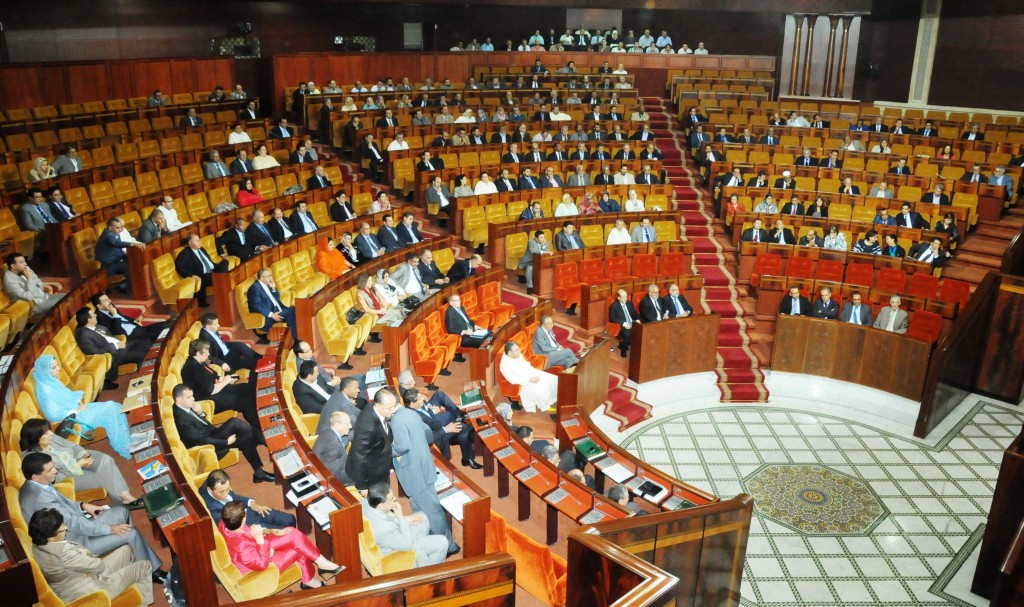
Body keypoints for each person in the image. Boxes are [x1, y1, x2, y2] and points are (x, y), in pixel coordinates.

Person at [19, 453, 166, 581]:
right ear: (36, 476)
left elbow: (64, 505)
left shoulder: (35, 484)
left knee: (122, 512)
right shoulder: (41, 499)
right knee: (130, 533)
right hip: (77, 542)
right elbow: (74, 524)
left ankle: (132, 553)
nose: (55, 471)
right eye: (50, 470)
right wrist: (110, 529)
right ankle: (152, 571)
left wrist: (82, 505)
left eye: (53, 467)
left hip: (78, 527)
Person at [28, 508, 155, 606]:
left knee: (126, 550)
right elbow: (98, 566)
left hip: (81, 576)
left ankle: (127, 587)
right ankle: (142, 602)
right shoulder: (64, 553)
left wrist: (85, 567)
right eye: (61, 527)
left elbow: (88, 563)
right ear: (50, 536)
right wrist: (87, 565)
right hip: (90, 591)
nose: (65, 528)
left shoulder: (37, 544)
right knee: (144, 566)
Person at [20, 418, 141, 508]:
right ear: (35, 439)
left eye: (49, 431)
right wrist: (78, 465)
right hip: (68, 476)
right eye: (46, 433)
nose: (51, 433)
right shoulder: (35, 458)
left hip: (77, 458)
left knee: (106, 460)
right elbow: (54, 478)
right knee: (102, 477)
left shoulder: (52, 438)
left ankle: (125, 496)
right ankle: (123, 504)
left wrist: (83, 455)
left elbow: (72, 446)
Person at [218, 500, 342, 589]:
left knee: (292, 533)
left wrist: (268, 532)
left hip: (256, 545)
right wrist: (261, 543)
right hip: (259, 568)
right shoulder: (242, 547)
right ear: (243, 520)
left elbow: (245, 532)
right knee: (297, 551)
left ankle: (321, 562)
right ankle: (309, 580)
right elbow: (261, 565)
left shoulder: (225, 523)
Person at [392, 389, 459, 553]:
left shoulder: (397, 420)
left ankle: (449, 546)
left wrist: (385, 449)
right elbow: (428, 435)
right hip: (423, 468)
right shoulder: (411, 413)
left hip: (416, 473)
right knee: (419, 506)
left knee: (433, 511)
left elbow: (402, 447)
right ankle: (427, 537)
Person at [171, 383, 272, 482]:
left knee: (246, 438)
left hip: (212, 434)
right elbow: (200, 440)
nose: (193, 399)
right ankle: (266, 441)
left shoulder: (184, 406)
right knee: (234, 422)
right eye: (189, 397)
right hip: (208, 447)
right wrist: (226, 442)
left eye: (192, 395)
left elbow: (200, 423)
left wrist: (200, 412)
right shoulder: (181, 420)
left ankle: (259, 473)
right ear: (179, 399)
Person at [181, 338, 262, 439]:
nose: (208, 354)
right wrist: (226, 381)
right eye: (206, 352)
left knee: (247, 388)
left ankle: (259, 415)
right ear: (198, 353)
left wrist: (225, 378)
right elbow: (210, 390)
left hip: (215, 390)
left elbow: (212, 377)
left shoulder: (199, 361)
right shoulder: (193, 367)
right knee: (244, 402)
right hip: (208, 399)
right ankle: (259, 431)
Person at [362, 481, 449, 566]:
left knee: (423, 518)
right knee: (443, 542)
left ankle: (421, 557)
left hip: (394, 534)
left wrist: (406, 518)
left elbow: (388, 517)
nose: (395, 499)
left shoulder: (366, 502)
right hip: (397, 550)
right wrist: (401, 518)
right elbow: (407, 545)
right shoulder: (385, 530)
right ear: (381, 505)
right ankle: (426, 570)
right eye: (391, 499)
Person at [74, 307, 148, 389]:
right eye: (93, 315)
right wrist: (116, 346)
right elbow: (95, 352)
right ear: (89, 320)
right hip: (114, 353)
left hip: (120, 344)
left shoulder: (93, 325)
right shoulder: (83, 335)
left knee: (146, 343)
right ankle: (144, 384)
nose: (96, 315)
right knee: (142, 355)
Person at [202, 469, 294, 530]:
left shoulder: (213, 483)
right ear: (210, 490)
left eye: (228, 489)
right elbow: (234, 530)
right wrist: (266, 531)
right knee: (288, 533)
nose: (226, 494)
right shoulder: (212, 510)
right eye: (221, 492)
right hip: (248, 527)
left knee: (290, 519)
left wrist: (253, 504)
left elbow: (234, 496)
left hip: (251, 511)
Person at [499, 342, 558, 412]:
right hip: (524, 382)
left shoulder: (515, 354)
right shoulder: (504, 365)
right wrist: (529, 379)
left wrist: (534, 372)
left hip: (530, 372)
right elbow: (513, 380)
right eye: (516, 350)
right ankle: (546, 406)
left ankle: (554, 399)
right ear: (509, 353)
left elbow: (524, 364)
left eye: (518, 349)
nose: (519, 351)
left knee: (554, 379)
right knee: (541, 390)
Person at [247, 268, 298, 341]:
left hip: (278, 310)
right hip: (268, 317)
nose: (271, 278)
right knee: (290, 311)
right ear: (261, 278)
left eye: (271, 275)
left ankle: (296, 337)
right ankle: (297, 340)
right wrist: (271, 314)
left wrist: (274, 288)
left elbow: (277, 298)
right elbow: (256, 305)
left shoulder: (267, 284)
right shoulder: (255, 288)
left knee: (296, 309)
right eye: (268, 276)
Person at [175, 233, 225, 307]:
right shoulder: (186, 253)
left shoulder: (202, 249)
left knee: (225, 262)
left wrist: (216, 266)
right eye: (196, 240)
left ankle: (221, 279)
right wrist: (191, 275)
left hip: (213, 269)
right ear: (190, 243)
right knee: (222, 277)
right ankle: (222, 282)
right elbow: (179, 266)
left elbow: (209, 261)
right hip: (203, 275)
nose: (199, 242)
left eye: (199, 240)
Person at [518, 230, 553, 295]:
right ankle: (530, 287)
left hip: (538, 262)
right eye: (541, 237)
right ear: (536, 238)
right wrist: (544, 251)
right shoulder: (531, 242)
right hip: (528, 262)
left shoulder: (546, 243)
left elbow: (547, 254)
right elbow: (532, 250)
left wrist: (543, 246)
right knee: (530, 268)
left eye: (543, 237)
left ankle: (543, 286)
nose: (543, 239)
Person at [609, 289, 640, 357]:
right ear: (618, 298)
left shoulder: (629, 303)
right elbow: (612, 318)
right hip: (622, 326)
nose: (625, 298)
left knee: (641, 331)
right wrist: (623, 323)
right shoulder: (614, 306)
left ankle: (626, 345)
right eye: (623, 297)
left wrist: (638, 319)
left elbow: (634, 313)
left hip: (632, 323)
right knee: (628, 335)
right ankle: (623, 349)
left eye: (626, 296)